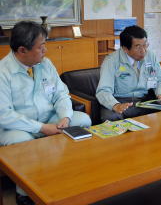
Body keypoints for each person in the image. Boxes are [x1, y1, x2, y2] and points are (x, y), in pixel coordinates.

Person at [0, 21, 92, 205]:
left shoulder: (45, 63)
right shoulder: (3, 72)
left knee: (82, 119)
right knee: (22, 142)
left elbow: (61, 93)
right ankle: (24, 193)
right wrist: (41, 127)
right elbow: (4, 115)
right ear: (22, 50)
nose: (45, 51)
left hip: (49, 118)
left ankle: (64, 174)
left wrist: (65, 116)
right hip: (17, 127)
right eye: (41, 47)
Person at [96, 25, 161, 121]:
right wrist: (116, 105)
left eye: (145, 45)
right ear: (125, 49)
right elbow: (103, 91)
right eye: (138, 47)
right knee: (110, 118)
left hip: (145, 99)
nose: (143, 51)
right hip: (120, 100)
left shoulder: (150, 55)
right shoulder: (111, 61)